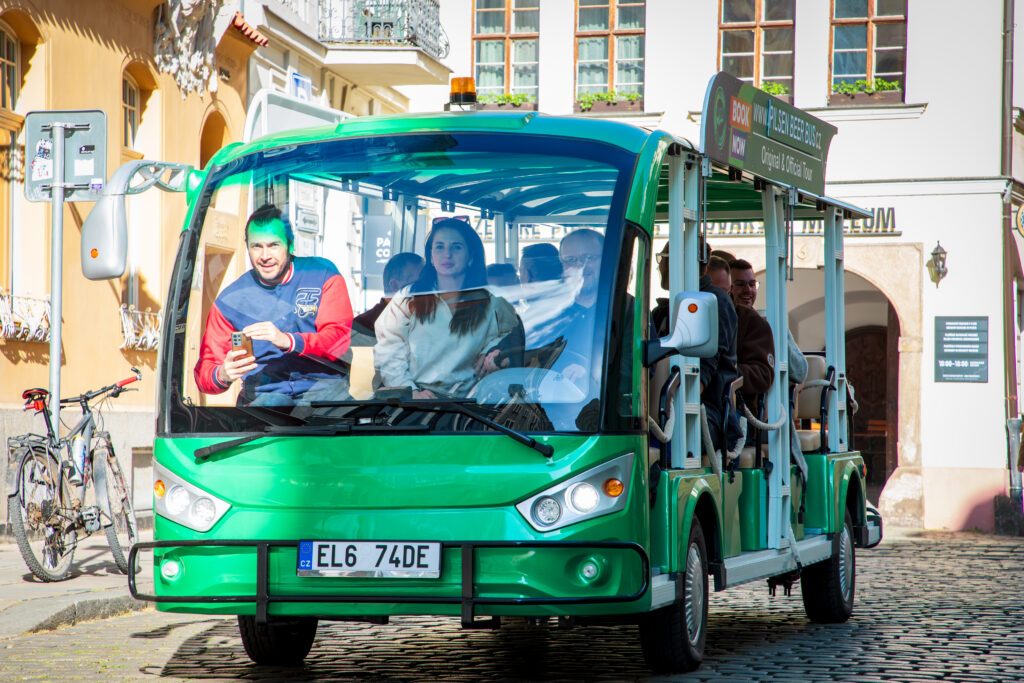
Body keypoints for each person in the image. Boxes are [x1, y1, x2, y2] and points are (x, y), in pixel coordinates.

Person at [194, 204, 353, 405]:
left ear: (291, 245)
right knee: (269, 404)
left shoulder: (322, 275)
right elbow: (204, 373)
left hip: (324, 393)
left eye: (273, 245)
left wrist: (288, 341)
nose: (265, 256)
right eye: (256, 246)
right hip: (264, 397)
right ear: (247, 247)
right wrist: (222, 373)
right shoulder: (229, 301)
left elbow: (339, 341)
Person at [374, 218, 521, 398]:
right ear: (431, 256)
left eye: (456, 247)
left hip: (470, 408)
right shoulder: (408, 298)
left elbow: (510, 340)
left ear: (471, 256)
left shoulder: (493, 303)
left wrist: (493, 354)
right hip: (416, 404)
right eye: (440, 247)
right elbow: (389, 352)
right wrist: (411, 393)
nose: (447, 254)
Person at [653, 242, 741, 453]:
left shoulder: (713, 301)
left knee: (666, 443)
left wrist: (674, 401)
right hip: (663, 407)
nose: (660, 266)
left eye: (663, 257)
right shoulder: (662, 311)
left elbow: (706, 365)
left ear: (681, 262)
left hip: (706, 410)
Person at [712, 257, 774, 415]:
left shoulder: (754, 322)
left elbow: (763, 374)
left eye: (752, 284)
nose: (748, 290)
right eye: (740, 284)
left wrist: (727, 370)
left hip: (737, 409)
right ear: (730, 288)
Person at [353, 252, 424, 337]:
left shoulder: (423, 320)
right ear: (394, 285)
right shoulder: (360, 327)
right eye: (419, 284)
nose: (427, 290)